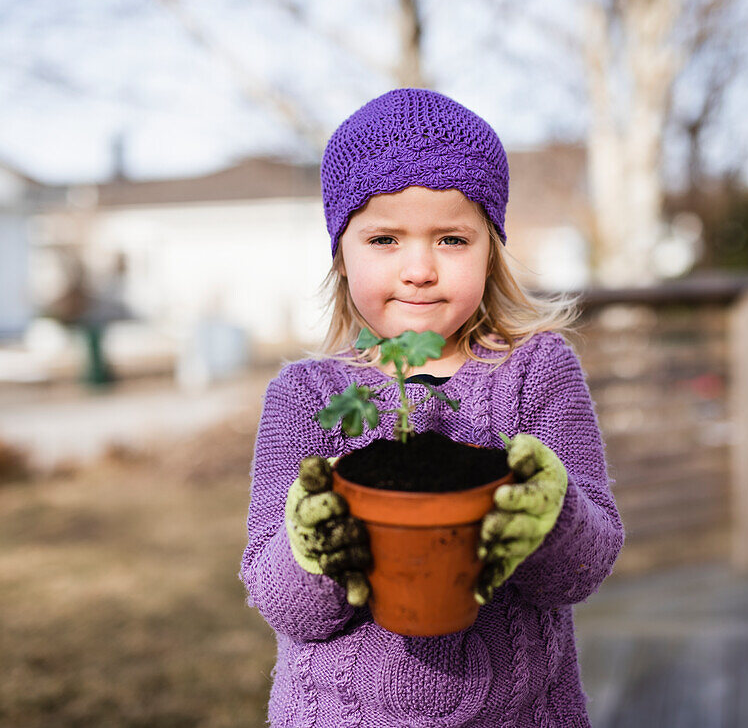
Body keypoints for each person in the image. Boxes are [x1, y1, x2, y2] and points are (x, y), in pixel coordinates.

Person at [240, 88, 624, 728]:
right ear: (342, 252)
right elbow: (288, 605)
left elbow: (580, 571)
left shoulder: (537, 372)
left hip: (522, 712)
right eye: (385, 238)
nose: (419, 268)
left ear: (491, 248)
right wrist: (312, 543)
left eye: (451, 239)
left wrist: (550, 512)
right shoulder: (306, 398)